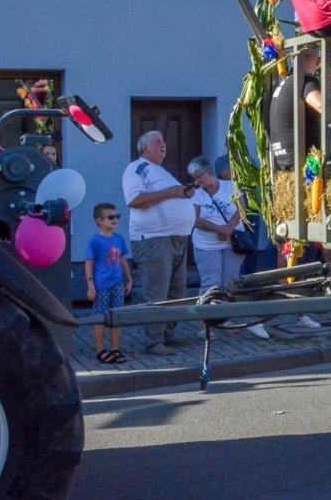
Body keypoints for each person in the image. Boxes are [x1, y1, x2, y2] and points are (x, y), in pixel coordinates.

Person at [122, 131, 196, 355]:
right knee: (157, 293)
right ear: (144, 147)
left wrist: (184, 194)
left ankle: (167, 334)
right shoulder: (137, 168)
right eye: (157, 141)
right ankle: (153, 341)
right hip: (154, 239)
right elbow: (135, 200)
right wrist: (173, 192)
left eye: (164, 141)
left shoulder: (161, 172)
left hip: (177, 238)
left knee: (177, 291)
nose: (164, 145)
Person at [269, 48, 331, 171]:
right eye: (301, 56)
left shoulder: (286, 83)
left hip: (287, 164)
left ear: (318, 61)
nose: (303, 61)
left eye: (307, 57)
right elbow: (322, 105)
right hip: (305, 165)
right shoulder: (304, 79)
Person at [189, 155, 245, 295]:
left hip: (233, 241)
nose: (196, 181)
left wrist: (229, 229)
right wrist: (219, 229)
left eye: (198, 177)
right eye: (194, 178)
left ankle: (227, 315)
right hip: (206, 244)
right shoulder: (196, 193)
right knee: (211, 284)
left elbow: (242, 208)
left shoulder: (231, 186)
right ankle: (209, 315)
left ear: (208, 173)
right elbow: (195, 220)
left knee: (230, 282)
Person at [84, 202, 132, 365]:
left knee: (117, 317)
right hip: (101, 285)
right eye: (110, 217)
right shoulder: (95, 241)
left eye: (117, 216)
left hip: (117, 284)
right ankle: (99, 348)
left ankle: (115, 348)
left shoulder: (119, 239)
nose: (115, 219)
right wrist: (90, 285)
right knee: (100, 317)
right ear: (99, 220)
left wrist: (129, 278)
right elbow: (89, 263)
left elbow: (122, 258)